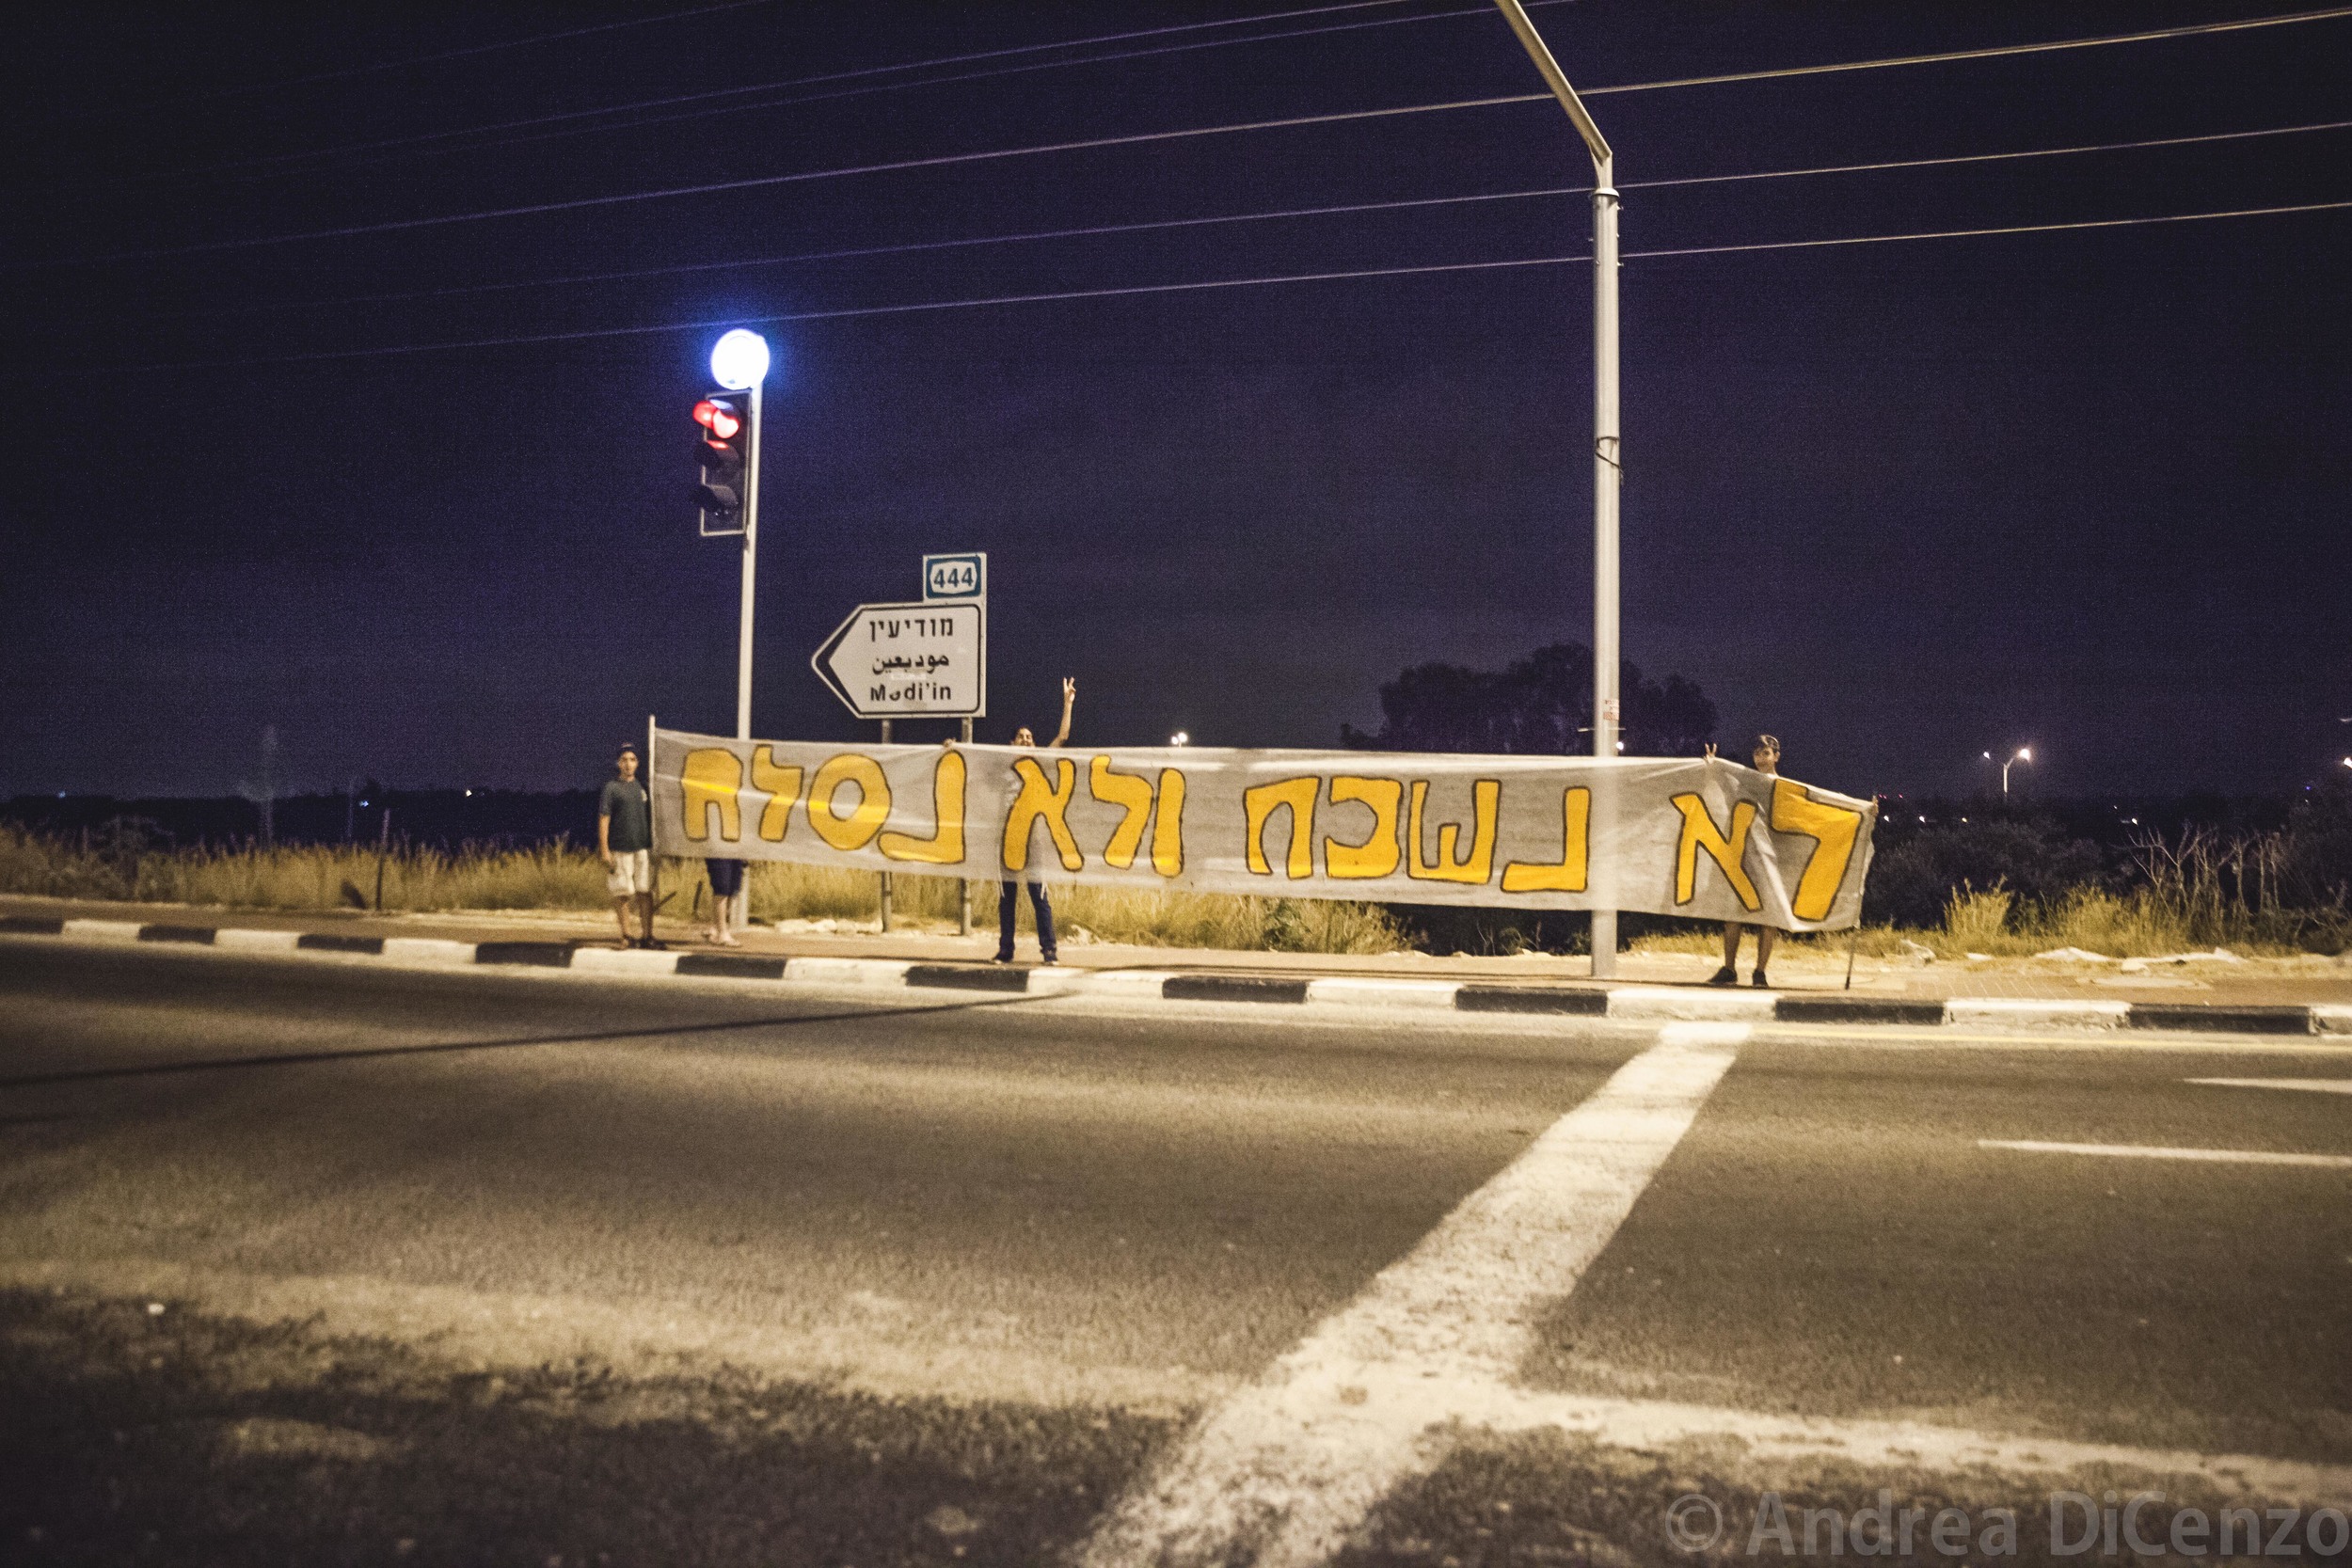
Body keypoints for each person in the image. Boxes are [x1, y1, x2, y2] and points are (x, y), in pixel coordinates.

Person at [996, 676, 1074, 965]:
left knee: (1039, 895)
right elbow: (967, 765)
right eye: (1021, 737)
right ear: (1011, 743)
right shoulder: (1000, 764)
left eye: (1030, 737)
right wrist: (951, 747)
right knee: (1007, 898)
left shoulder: (1040, 762)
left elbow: (1062, 738)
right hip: (1007, 838)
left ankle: (1049, 951)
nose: (1027, 740)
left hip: (1034, 839)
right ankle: (1006, 951)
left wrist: (1067, 704)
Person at [1708, 733, 1780, 987]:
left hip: (1770, 860)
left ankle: (1759, 972)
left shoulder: (1783, 787)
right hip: (1742, 855)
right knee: (1733, 914)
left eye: (1766, 753)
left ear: (1776, 756)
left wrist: (1865, 812)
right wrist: (1714, 766)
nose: (1761, 758)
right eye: (1758, 753)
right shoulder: (1746, 782)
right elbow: (1726, 792)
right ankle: (1729, 969)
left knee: (1769, 918)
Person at [598, 742, 664, 950]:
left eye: (632, 759)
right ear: (618, 763)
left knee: (645, 892)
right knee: (622, 892)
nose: (628, 764)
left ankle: (647, 935)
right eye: (624, 760)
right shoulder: (611, 788)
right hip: (620, 848)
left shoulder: (643, 788)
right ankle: (626, 935)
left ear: (638, 763)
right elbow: (604, 819)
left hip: (642, 848)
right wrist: (605, 850)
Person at [705, 855, 745, 946]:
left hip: (735, 852)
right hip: (719, 851)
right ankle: (722, 933)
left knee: (733, 888)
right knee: (722, 888)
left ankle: (715, 927)